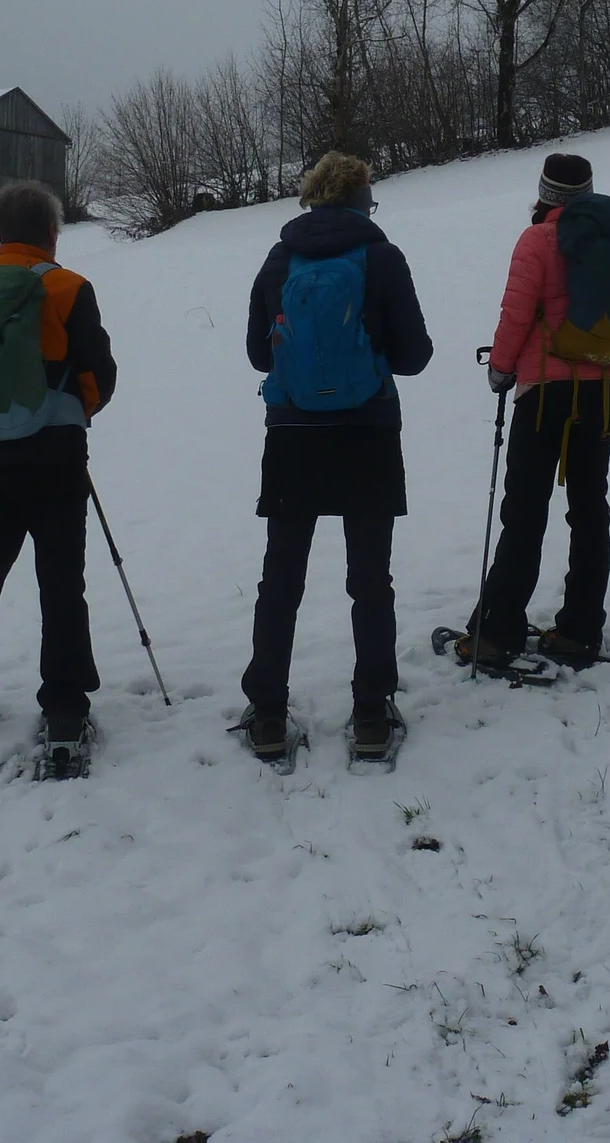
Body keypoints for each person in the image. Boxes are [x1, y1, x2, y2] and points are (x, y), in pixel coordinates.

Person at [241, 151, 433, 762]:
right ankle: (372, 712)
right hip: (368, 429)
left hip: (293, 432)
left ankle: (269, 712)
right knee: (370, 578)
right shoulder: (382, 256)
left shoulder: (279, 258)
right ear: (360, 199)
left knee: (282, 577)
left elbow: (256, 353)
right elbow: (413, 356)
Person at [0, 181, 117, 771]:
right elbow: (101, 376)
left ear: (1, 231)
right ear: (51, 232)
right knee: (61, 582)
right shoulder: (68, 289)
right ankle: (64, 708)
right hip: (56, 460)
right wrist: (67, 414)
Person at [459, 153, 610, 668]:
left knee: (526, 511)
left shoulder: (537, 240)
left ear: (545, 193)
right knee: (589, 507)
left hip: (545, 390)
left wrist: (501, 369)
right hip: (605, 385)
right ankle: (580, 630)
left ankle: (497, 631)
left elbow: (516, 311)